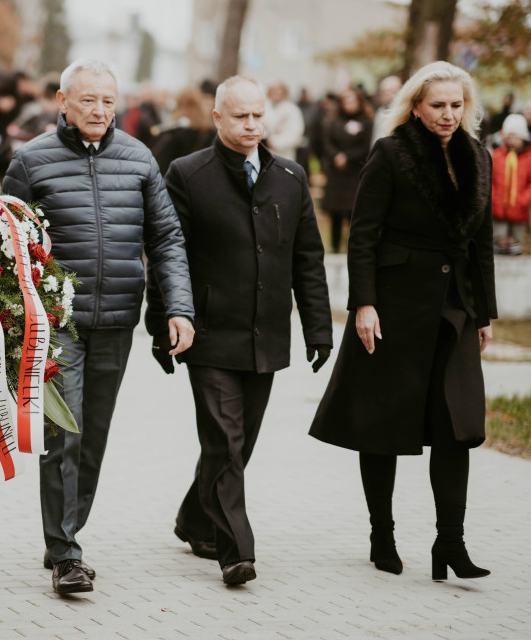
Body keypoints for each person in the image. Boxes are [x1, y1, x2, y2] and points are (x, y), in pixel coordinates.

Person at [2, 58, 195, 595]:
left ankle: (64, 533)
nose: (99, 110)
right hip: (57, 320)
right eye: (87, 99)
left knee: (94, 436)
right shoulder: (31, 161)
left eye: (108, 100)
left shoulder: (139, 159)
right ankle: (66, 553)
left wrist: (178, 307)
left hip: (116, 320)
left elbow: (166, 240)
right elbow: (5, 240)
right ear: (62, 102)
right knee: (63, 432)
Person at [309, 61, 496, 581]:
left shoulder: (478, 156)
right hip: (393, 306)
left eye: (457, 105)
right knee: (383, 423)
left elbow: (481, 243)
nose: (448, 114)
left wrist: (483, 313)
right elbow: (363, 233)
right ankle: (381, 536)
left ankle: (451, 544)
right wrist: (363, 304)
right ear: (415, 106)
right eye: (437, 105)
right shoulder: (391, 153)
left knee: (458, 428)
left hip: (454, 309)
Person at [146, 76, 332, 586]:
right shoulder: (187, 173)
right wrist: (161, 320)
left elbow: (307, 259)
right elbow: (168, 252)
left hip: (265, 335)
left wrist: (318, 326)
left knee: (237, 442)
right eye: (240, 116)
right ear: (217, 118)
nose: (252, 125)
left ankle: (192, 518)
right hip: (208, 333)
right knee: (226, 441)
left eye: (258, 116)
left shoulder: (290, 177)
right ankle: (236, 551)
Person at [321, 86, 374, 253]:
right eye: (346, 101)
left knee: (353, 212)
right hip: (336, 173)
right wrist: (336, 156)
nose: (350, 104)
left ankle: (354, 247)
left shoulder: (367, 121)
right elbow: (327, 142)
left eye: (353, 100)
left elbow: (366, 146)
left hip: (355, 172)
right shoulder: (333, 120)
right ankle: (335, 246)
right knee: (335, 211)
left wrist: (348, 157)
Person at [150, 84, 216, 175]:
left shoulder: (174, 131)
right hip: (199, 179)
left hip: (176, 180)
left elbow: (159, 164)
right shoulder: (209, 131)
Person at [491, 114, 531, 254]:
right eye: (509, 136)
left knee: (516, 243)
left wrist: (524, 199)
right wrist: (494, 198)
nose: (512, 139)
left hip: (520, 208)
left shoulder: (529, 157)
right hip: (498, 208)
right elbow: (491, 179)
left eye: (515, 136)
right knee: (500, 241)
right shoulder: (497, 155)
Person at [264, 80, 305, 165]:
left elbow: (296, 132)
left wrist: (275, 142)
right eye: (273, 90)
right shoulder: (264, 107)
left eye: (278, 91)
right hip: (265, 151)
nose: (276, 93)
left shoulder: (292, 110)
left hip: (284, 153)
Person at [371, 75, 402, 144]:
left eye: (393, 92)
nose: (388, 95)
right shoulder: (380, 112)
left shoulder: (405, 112)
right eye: (384, 92)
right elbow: (376, 137)